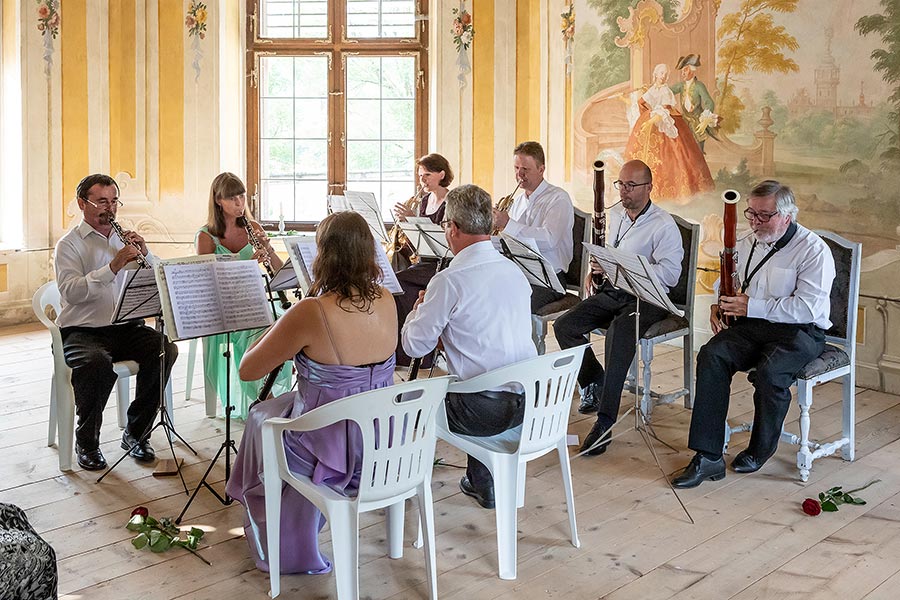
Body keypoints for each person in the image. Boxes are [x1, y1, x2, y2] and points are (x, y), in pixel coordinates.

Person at [225, 211, 398, 574]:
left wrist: (285, 323)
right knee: (269, 413)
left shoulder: (311, 310)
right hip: (382, 439)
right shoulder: (386, 298)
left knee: (260, 418)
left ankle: (284, 538)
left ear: (323, 256)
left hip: (330, 443)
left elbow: (248, 370)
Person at [672, 180, 835, 488]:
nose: (756, 222)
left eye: (765, 216)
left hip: (800, 331)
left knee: (770, 373)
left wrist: (751, 306)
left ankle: (761, 448)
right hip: (753, 323)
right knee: (711, 354)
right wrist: (718, 305)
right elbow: (729, 284)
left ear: (787, 216)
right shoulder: (746, 242)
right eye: (751, 214)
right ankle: (708, 457)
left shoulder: (813, 250)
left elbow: (807, 309)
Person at [402, 184, 536, 509]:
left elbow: (414, 345)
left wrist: (421, 309)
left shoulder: (449, 280)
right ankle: (482, 480)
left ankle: (402, 486)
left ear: (453, 228)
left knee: (413, 402)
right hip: (531, 406)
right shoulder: (514, 271)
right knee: (479, 371)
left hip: (482, 414)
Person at [554, 160, 683, 457]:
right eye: (621, 184)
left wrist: (634, 267)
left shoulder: (664, 225)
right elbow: (609, 251)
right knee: (565, 326)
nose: (624, 191)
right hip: (616, 290)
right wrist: (598, 267)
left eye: (631, 185)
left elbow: (671, 275)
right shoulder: (616, 215)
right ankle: (595, 381)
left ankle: (605, 422)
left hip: (649, 298)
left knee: (619, 333)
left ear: (649, 187)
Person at [54, 174, 178, 470]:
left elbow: (160, 278)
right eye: (101, 202)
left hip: (125, 327)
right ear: (82, 204)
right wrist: (113, 266)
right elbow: (70, 291)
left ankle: (136, 433)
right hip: (82, 331)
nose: (109, 209)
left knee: (164, 350)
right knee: (96, 364)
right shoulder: (69, 245)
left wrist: (147, 254)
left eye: (113, 202)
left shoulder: (123, 240)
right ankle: (87, 442)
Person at [195, 172, 292, 419]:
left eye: (242, 196)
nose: (240, 203)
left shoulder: (254, 227)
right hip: (223, 306)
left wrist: (268, 248)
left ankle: (271, 391)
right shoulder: (206, 236)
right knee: (253, 334)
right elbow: (207, 283)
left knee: (284, 324)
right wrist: (248, 264)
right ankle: (265, 401)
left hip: (255, 299)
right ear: (218, 200)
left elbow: (280, 272)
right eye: (233, 198)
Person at [492, 141, 574, 313]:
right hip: (519, 272)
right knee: (482, 294)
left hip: (549, 279)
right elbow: (507, 240)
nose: (519, 174)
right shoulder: (517, 201)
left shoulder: (558, 198)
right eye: (516, 168)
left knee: (511, 306)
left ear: (541, 169)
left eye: (525, 169)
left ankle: (519, 340)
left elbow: (549, 239)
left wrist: (507, 224)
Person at [393, 153, 454, 367]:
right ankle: (405, 350)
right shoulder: (425, 200)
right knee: (395, 280)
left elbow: (446, 238)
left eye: (427, 175)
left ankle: (417, 352)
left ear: (441, 174)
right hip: (426, 260)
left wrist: (412, 218)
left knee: (399, 283)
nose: (423, 180)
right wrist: (405, 225)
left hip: (445, 262)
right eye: (420, 175)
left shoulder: (451, 201)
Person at [624, 63, 714, 200]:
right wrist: (647, 114)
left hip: (666, 123)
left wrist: (650, 120)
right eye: (661, 73)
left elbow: (664, 110)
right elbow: (640, 102)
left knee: (676, 155)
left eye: (666, 74)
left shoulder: (667, 91)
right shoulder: (654, 89)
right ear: (655, 74)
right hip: (653, 123)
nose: (664, 76)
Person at [668, 54, 718, 152]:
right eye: (682, 71)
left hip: (697, 124)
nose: (682, 73)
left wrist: (705, 121)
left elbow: (709, 103)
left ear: (692, 70)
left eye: (685, 70)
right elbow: (668, 91)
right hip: (684, 124)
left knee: (698, 154)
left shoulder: (699, 86)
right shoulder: (681, 86)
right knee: (684, 152)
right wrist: (655, 89)